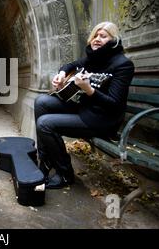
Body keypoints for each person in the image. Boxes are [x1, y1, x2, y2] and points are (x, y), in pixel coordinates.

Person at [34, 21, 134, 189]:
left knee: (45, 124)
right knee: (41, 102)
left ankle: (65, 174)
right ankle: (45, 160)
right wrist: (61, 74)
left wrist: (88, 89)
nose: (97, 39)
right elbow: (70, 65)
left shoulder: (123, 65)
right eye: (95, 35)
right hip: (84, 109)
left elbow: (114, 104)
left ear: (114, 40)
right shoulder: (92, 58)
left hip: (102, 119)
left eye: (103, 36)